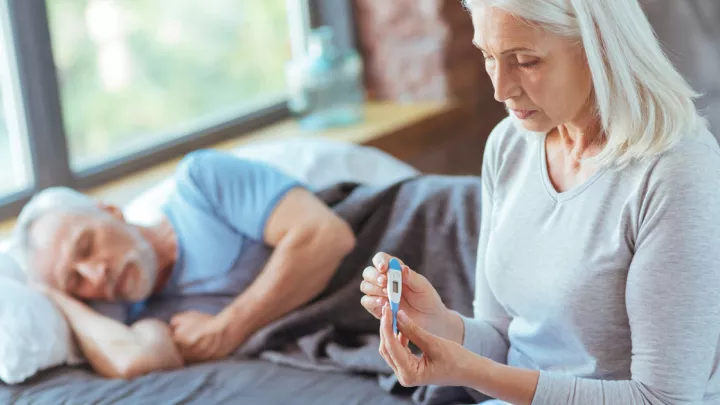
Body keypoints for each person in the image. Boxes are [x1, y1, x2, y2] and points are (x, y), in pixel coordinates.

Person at [360, 0, 720, 404]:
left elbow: (665, 399)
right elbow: (505, 340)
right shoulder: (509, 144)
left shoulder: (678, 172)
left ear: (601, 49)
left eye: (526, 61)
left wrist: (466, 369)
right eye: (488, 56)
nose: (500, 89)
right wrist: (439, 324)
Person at [12, 149, 356, 379]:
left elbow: (326, 235)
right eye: (74, 281)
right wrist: (57, 298)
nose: (95, 273)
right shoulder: (138, 316)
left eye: (86, 246)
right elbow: (138, 360)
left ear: (110, 211)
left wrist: (227, 329)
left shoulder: (201, 185)